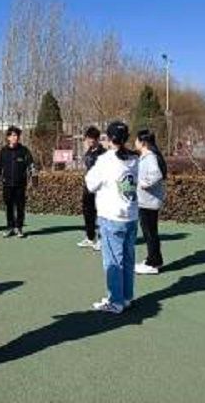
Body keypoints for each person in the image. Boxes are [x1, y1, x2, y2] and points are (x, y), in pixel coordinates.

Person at [85, 121, 139, 314]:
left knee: (113, 261)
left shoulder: (105, 160)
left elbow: (90, 184)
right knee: (128, 259)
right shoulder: (135, 158)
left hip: (111, 216)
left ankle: (115, 301)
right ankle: (126, 297)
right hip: (131, 215)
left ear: (108, 138)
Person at [134, 129, 167, 275]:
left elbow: (156, 175)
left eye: (137, 140)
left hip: (149, 202)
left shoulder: (150, 157)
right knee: (150, 232)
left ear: (143, 142)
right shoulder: (145, 156)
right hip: (146, 201)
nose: (135, 142)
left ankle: (153, 264)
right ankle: (153, 259)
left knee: (150, 233)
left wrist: (143, 184)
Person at [0, 126, 36, 238]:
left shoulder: (24, 151)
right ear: (8, 137)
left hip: (20, 184)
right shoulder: (3, 151)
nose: (15, 138)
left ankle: (19, 228)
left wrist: (34, 177)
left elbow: (31, 165)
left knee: (20, 207)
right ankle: (10, 228)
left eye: (17, 135)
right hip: (7, 184)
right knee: (9, 207)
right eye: (13, 135)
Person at [77, 126, 106, 251]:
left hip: (100, 189)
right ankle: (90, 237)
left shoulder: (103, 153)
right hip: (88, 187)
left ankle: (101, 239)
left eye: (93, 138)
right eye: (89, 138)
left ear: (98, 139)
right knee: (88, 212)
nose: (91, 141)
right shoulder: (88, 152)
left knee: (100, 214)